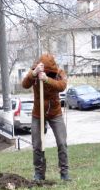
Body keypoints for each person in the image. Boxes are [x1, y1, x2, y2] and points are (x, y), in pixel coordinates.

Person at [22, 53, 69, 181]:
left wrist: (47, 79)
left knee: (62, 142)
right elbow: (24, 84)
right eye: (46, 73)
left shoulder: (59, 72)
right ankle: (39, 173)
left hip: (55, 113)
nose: (47, 74)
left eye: (50, 73)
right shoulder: (35, 71)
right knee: (37, 144)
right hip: (38, 113)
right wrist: (34, 73)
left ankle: (64, 173)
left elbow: (62, 86)